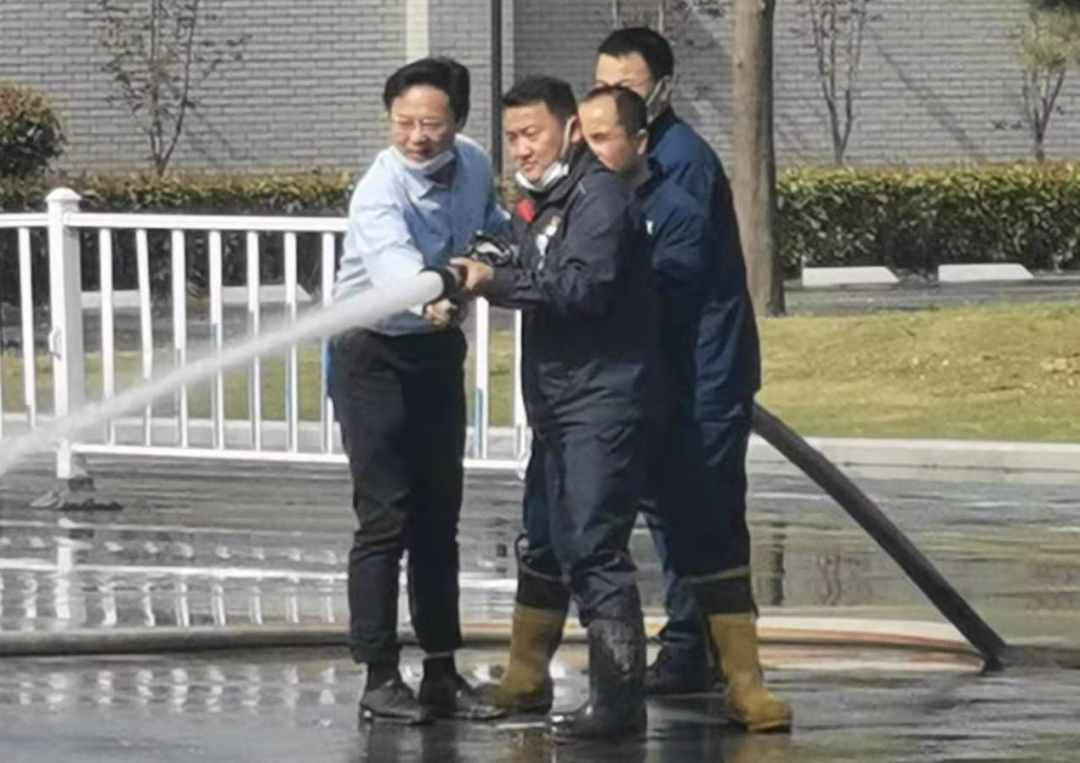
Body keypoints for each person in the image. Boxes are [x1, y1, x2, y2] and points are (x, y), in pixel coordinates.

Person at [577, 84, 791, 733]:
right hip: (608, 404)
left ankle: (741, 680)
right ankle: (570, 681)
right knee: (581, 535)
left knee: (705, 531)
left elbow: (653, 306)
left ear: (641, 139)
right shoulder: (582, 205)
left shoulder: (674, 212)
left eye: (603, 137)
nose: (590, 150)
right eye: (582, 137)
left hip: (676, 399)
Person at [452, 76, 656, 741]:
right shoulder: (545, 202)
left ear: (569, 130)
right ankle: (525, 679)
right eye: (511, 137)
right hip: (557, 405)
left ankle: (619, 704)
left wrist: (496, 282)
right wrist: (473, 264)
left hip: (601, 403)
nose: (521, 149)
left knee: (593, 547)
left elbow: (580, 289)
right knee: (542, 541)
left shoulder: (600, 201)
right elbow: (513, 245)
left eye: (532, 134)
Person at [328, 57, 507, 726]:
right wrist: (429, 297)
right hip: (370, 352)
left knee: (438, 514)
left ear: (457, 121)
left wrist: (491, 257)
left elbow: (493, 223)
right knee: (385, 516)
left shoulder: (475, 163)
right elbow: (396, 267)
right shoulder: (379, 191)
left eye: (431, 123)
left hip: (435, 352)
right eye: (402, 122)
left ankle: (440, 670)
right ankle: (379, 675)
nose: (416, 137)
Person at [595, 26, 764, 699]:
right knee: (670, 506)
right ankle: (699, 649)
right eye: (602, 85)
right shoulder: (626, 157)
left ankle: (701, 650)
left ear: (662, 90)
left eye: (627, 87)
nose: (612, 98)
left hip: (702, 370)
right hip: (668, 369)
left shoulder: (679, 164)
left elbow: (671, 281)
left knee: (703, 510)